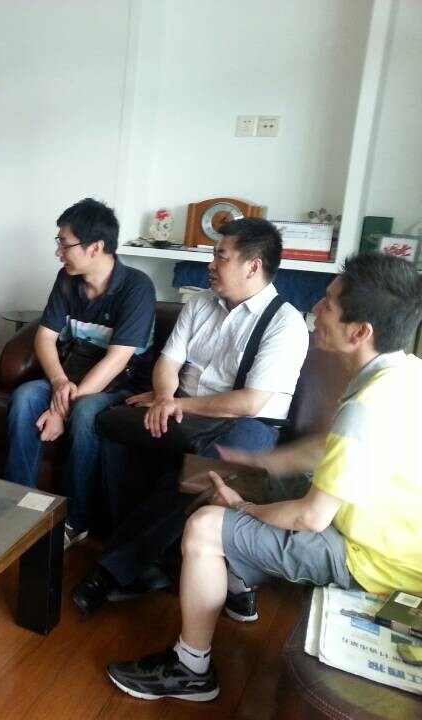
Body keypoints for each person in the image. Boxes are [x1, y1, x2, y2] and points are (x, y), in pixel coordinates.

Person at [106, 252, 422, 702]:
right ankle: (237, 588)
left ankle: (190, 668)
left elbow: (311, 518)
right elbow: (330, 448)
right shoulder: (404, 371)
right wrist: (261, 464)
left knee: (204, 526)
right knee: (233, 478)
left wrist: (246, 508)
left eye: (329, 304)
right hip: (395, 539)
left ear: (360, 332)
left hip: (372, 559)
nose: (316, 308)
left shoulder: (366, 406)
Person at [72, 217, 310, 612]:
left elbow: (250, 402)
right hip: (184, 408)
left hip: (248, 425)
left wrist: (177, 405)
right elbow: (168, 362)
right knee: (115, 424)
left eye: (221, 257)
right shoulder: (200, 303)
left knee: (209, 466)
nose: (211, 265)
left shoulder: (285, 322)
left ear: (253, 266)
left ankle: (112, 570)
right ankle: (149, 563)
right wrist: (166, 397)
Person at [4, 198, 156, 548]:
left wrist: (61, 410)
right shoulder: (67, 279)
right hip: (71, 375)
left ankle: (76, 518)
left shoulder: (137, 287)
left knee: (86, 412)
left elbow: (116, 361)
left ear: (95, 247)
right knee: (25, 396)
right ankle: (18, 504)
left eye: (64, 243)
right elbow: (45, 337)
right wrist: (59, 382)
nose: (58, 252)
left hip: (119, 384)